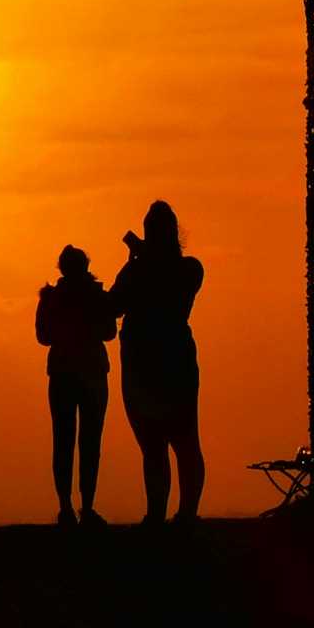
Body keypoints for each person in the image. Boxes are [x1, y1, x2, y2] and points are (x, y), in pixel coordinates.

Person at [108, 200, 205, 523]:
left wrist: (137, 260)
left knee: (176, 441)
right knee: (164, 441)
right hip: (156, 359)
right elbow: (113, 305)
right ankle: (166, 514)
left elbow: (113, 305)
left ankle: (177, 514)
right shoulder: (171, 269)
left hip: (154, 359)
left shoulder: (187, 269)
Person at [35, 244, 116, 527]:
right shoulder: (96, 296)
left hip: (62, 373)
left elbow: (43, 336)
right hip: (91, 372)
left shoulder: (51, 298)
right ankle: (86, 507)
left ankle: (67, 507)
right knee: (90, 442)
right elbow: (109, 332)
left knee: (64, 440)